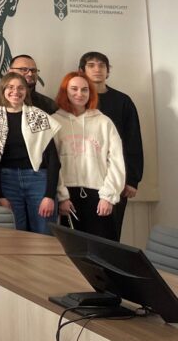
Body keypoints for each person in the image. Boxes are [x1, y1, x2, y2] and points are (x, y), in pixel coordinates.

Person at [52, 72, 125, 241]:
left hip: (99, 194)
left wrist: (108, 196)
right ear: (65, 92)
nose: (79, 94)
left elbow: (116, 161)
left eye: (84, 90)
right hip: (68, 196)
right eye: (74, 89)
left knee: (103, 248)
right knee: (72, 249)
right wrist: (62, 197)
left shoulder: (104, 122)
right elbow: (53, 163)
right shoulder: (54, 121)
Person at [0, 72, 60, 234]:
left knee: (43, 231)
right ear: (3, 90)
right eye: (10, 87)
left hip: (38, 179)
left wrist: (49, 195)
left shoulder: (38, 116)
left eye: (20, 88)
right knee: (13, 233)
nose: (16, 92)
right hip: (7, 180)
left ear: (26, 91)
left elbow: (54, 159)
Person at [79, 51, 143, 235]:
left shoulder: (122, 101)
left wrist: (132, 179)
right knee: (81, 234)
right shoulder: (76, 101)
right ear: (81, 71)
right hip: (83, 179)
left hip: (116, 178)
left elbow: (133, 141)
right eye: (91, 65)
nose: (97, 69)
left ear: (108, 71)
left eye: (102, 65)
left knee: (109, 234)